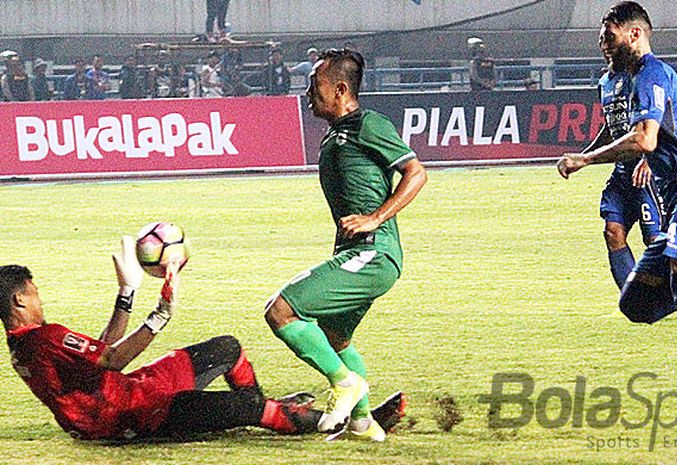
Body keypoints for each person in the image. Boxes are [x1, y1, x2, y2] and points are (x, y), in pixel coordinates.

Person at [0, 238, 405, 441]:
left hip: (132, 390)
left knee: (227, 347)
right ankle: (342, 423)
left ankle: (257, 406)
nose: (41, 298)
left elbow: (102, 352)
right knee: (250, 410)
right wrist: (158, 316)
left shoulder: (25, 342)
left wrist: (127, 292)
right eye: (35, 292)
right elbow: (110, 359)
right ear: (19, 298)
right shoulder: (45, 338)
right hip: (132, 417)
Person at [265, 48, 427, 441]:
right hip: (357, 253)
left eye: (313, 84)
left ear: (339, 89)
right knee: (335, 338)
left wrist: (375, 218)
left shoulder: (368, 125)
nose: (306, 91)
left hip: (374, 253)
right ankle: (363, 423)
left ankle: (344, 383)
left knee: (281, 311)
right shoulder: (336, 134)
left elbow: (416, 172)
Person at [557, 1, 677, 331]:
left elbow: (644, 140)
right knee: (637, 304)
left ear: (634, 34)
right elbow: (624, 130)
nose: (603, 44)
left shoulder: (651, 73)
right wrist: (584, 158)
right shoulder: (625, 80)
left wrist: (587, 159)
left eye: (609, 36)